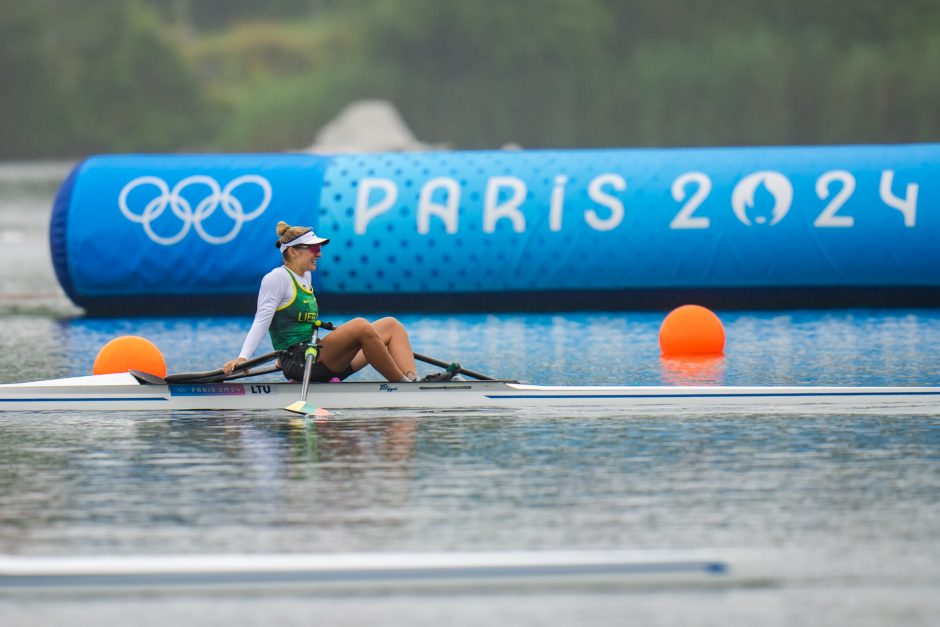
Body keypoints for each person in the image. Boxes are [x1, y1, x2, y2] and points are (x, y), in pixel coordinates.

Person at [223, 221, 445, 383]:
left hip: (319, 358)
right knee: (360, 325)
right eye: (313, 249)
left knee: (391, 325)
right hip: (300, 363)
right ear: (292, 252)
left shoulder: (305, 276)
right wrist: (244, 358)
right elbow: (262, 321)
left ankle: (412, 380)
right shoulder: (276, 279)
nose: (319, 254)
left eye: (319, 248)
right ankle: (402, 387)